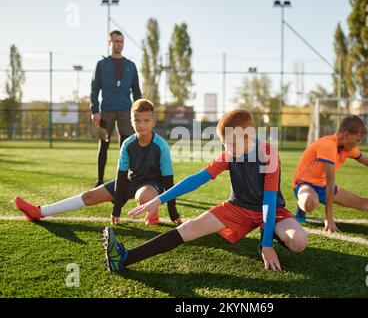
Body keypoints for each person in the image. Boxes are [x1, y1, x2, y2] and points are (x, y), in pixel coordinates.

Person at [102, 109, 308, 272]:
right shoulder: (229, 154)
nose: (228, 149)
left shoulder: (268, 153)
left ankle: (268, 232)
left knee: (298, 242)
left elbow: (269, 201)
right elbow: (197, 179)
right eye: (224, 144)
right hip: (239, 207)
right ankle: (124, 258)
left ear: (249, 136)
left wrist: (266, 245)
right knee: (189, 228)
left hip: (270, 209)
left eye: (232, 144)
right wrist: (160, 200)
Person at [14, 99, 181, 226]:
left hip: (152, 185)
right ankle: (39, 211)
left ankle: (152, 212)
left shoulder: (161, 146)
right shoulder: (128, 144)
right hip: (131, 181)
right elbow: (121, 177)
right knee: (89, 195)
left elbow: (168, 180)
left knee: (144, 196)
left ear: (153, 122)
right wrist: (117, 209)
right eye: (137, 120)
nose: (141, 125)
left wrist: (173, 212)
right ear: (131, 121)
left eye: (146, 120)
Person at [90, 30, 142, 187]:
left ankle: (124, 180)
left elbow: (136, 91)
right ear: (109, 42)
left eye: (121, 41)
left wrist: (139, 111)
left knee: (125, 146)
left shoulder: (131, 66)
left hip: (126, 111)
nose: (119, 44)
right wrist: (95, 111)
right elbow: (94, 89)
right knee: (103, 145)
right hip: (106, 111)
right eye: (116, 41)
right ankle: (99, 180)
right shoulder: (101, 64)